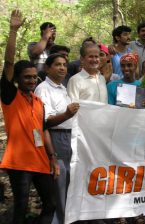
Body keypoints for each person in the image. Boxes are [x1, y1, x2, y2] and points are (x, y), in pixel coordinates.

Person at [0, 10, 59, 224]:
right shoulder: (10, 96)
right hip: (19, 163)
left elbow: (43, 129)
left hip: (41, 161)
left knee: (51, 204)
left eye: (34, 77)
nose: (32, 80)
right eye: (27, 77)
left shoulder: (38, 101)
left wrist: (53, 157)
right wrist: (13, 31)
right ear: (17, 78)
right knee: (21, 208)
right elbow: (8, 63)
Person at [34, 53, 80, 224]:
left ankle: (67, 218)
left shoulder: (62, 88)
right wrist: (67, 113)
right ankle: (60, 220)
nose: (62, 68)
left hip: (69, 137)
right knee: (59, 183)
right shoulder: (43, 89)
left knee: (68, 181)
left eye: (64, 64)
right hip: (55, 137)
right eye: (57, 64)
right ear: (47, 68)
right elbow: (44, 121)